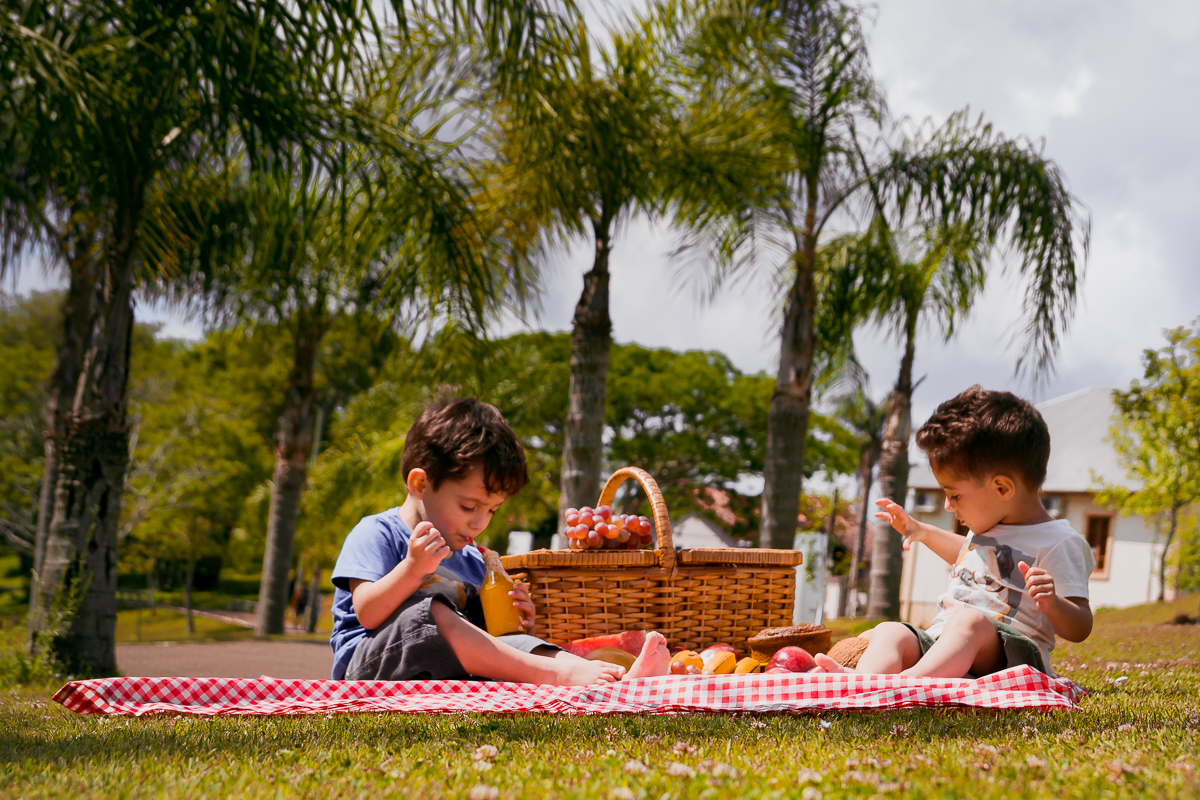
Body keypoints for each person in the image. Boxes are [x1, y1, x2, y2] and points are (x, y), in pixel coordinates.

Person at [328, 396, 670, 684]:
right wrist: (413, 568)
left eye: (492, 511)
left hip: (445, 672)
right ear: (420, 483)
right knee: (429, 612)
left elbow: (487, 637)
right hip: (369, 667)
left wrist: (516, 619)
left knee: (510, 638)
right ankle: (554, 674)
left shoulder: (472, 559)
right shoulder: (378, 532)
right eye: (468, 506)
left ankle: (601, 675)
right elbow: (368, 613)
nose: (479, 522)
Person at [815, 386, 1094, 679]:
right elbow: (971, 557)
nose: (948, 506)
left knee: (969, 622)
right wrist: (921, 531)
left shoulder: (1059, 542)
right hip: (943, 642)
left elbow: (1080, 627)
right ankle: (864, 687)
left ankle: (904, 686)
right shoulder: (988, 525)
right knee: (891, 630)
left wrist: (1053, 604)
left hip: (1011, 658)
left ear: (1002, 488)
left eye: (955, 495)